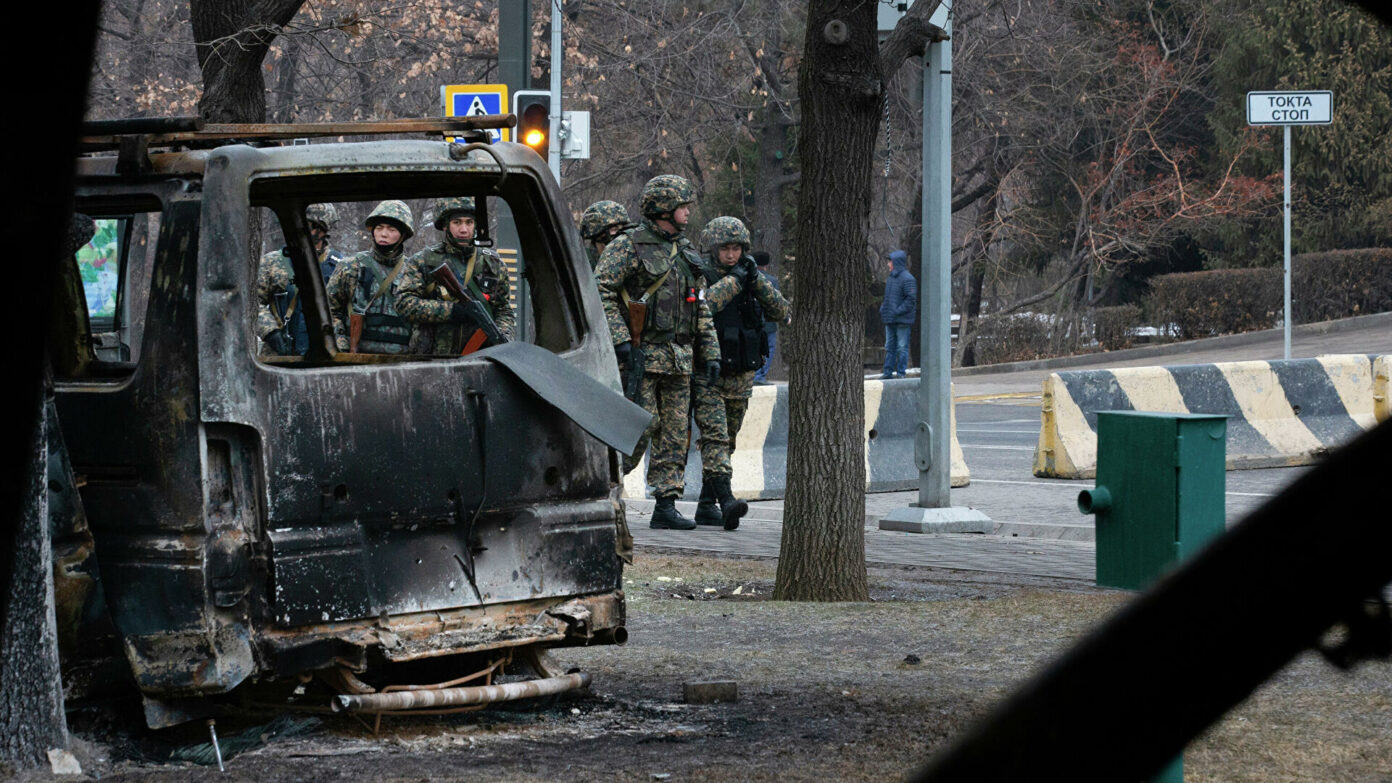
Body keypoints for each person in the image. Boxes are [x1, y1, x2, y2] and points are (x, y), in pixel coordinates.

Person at [595, 175, 721, 531]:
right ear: (663, 207)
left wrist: (709, 352)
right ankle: (601, 492)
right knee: (638, 430)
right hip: (642, 356)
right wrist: (620, 338)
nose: (687, 211)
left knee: (676, 434)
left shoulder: (684, 249)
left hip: (680, 358)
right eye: (682, 205)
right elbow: (600, 289)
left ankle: (666, 504)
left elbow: (701, 306)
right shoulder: (628, 245)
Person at [691, 218, 790, 528]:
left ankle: (707, 505)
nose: (731, 255)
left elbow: (781, 312)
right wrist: (734, 279)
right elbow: (704, 306)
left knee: (728, 442)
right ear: (713, 249)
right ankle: (726, 502)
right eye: (725, 249)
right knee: (715, 440)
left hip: (741, 375)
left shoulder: (750, 276)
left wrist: (755, 279)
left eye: (736, 249)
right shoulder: (700, 274)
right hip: (708, 373)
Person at [395, 196, 515, 354]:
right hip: (431, 359)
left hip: (480, 358)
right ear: (445, 226)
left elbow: (503, 310)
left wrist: (503, 335)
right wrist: (451, 311)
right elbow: (404, 304)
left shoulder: (493, 264)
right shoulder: (424, 261)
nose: (464, 229)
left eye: (469, 222)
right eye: (457, 222)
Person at [325, 200, 416, 355]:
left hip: (402, 361)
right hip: (356, 358)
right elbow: (329, 310)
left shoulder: (413, 270)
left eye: (391, 229)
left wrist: (416, 352)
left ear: (403, 234)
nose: (384, 234)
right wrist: (343, 346)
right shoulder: (350, 266)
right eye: (379, 228)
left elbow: (421, 320)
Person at [256, 203, 343, 356]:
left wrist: (340, 345)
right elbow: (253, 303)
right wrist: (270, 332)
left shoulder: (340, 265)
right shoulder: (272, 262)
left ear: (322, 229)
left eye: (308, 225)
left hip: (325, 354)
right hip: (279, 355)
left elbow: (347, 311)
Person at [879, 249, 917, 379]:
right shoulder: (891, 279)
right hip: (890, 319)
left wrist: (896, 311)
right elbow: (888, 298)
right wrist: (884, 308)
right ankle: (887, 372)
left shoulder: (908, 279)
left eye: (890, 261)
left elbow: (911, 300)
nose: (888, 264)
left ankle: (901, 373)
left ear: (896, 262)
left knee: (901, 347)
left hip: (902, 320)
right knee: (889, 346)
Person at [751, 251, 781, 384]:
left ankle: (752, 375)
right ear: (766, 265)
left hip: (751, 321)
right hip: (768, 322)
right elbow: (776, 303)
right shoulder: (772, 281)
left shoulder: (747, 277)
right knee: (768, 349)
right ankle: (760, 376)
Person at [579, 200, 632, 270]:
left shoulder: (630, 260)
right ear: (598, 235)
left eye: (622, 228)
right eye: (614, 229)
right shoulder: (584, 265)